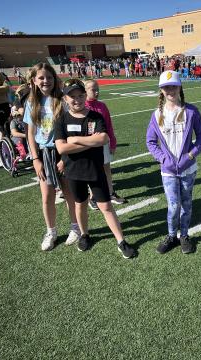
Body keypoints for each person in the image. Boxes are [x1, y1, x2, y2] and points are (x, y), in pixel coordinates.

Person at [54, 80, 136, 258]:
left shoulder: (95, 117)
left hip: (95, 169)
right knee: (80, 204)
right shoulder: (61, 120)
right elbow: (61, 148)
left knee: (106, 205)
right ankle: (85, 234)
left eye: (80, 95)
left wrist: (75, 140)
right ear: (65, 99)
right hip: (74, 171)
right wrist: (89, 142)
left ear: (85, 95)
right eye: (72, 96)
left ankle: (121, 241)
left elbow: (102, 139)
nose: (77, 99)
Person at [146, 71, 201, 254]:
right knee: (173, 205)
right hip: (168, 171)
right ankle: (172, 235)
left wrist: (190, 156)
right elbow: (150, 142)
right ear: (161, 91)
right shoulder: (157, 115)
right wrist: (163, 159)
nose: (170, 90)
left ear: (180, 87)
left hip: (189, 169)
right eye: (166, 87)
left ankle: (185, 235)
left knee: (186, 204)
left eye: (173, 86)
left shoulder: (191, 111)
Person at [24, 63, 80, 251]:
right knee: (47, 196)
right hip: (43, 153)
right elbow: (31, 134)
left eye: (49, 77)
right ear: (34, 80)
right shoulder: (31, 102)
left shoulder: (62, 100)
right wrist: (35, 159)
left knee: (69, 193)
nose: (45, 81)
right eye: (41, 78)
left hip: (62, 150)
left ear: (54, 79)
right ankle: (51, 231)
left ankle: (75, 227)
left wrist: (64, 158)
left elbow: (69, 129)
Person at [84, 79, 127, 209]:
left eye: (97, 89)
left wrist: (112, 142)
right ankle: (93, 197)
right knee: (93, 171)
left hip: (103, 143)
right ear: (85, 90)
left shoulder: (102, 105)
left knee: (106, 168)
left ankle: (110, 193)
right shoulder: (83, 106)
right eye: (93, 89)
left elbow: (108, 125)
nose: (96, 92)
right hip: (89, 144)